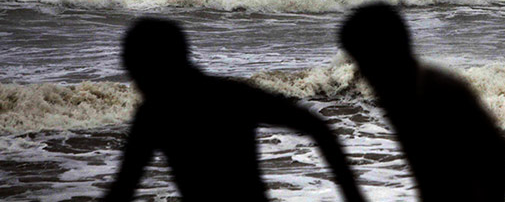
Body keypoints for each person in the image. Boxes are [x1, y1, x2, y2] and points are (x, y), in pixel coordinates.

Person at [103, 17, 366, 202]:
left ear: (153, 67)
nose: (136, 81)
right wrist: (353, 195)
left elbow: (122, 189)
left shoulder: (154, 116)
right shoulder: (231, 95)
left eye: (136, 71)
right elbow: (317, 126)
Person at [339, 2, 505, 202]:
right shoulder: (401, 95)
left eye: (364, 62)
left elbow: (500, 152)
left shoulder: (438, 93)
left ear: (387, 54)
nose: (361, 73)